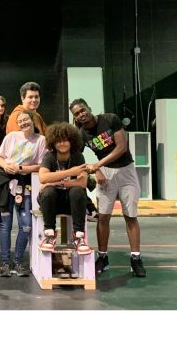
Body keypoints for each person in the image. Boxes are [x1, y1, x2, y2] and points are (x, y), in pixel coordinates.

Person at [70, 97, 146, 278]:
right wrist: (94, 171)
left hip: (127, 171)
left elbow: (121, 147)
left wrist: (97, 165)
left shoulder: (110, 119)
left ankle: (136, 259)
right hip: (105, 174)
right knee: (103, 217)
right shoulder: (81, 134)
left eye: (82, 110)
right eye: (76, 114)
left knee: (131, 216)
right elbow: (76, 157)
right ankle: (102, 258)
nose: (81, 115)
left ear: (88, 108)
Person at [0, 110, 47, 277]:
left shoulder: (40, 140)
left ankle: (18, 262)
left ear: (33, 120)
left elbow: (40, 165)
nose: (23, 123)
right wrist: (5, 166)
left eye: (25, 119)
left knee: (26, 224)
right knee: (5, 224)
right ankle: (5, 263)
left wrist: (21, 168)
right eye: (20, 121)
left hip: (25, 184)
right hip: (5, 182)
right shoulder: (11, 137)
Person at [36, 122, 91, 255]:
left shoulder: (77, 156)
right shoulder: (49, 157)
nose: (62, 143)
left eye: (65, 140)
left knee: (77, 191)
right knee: (48, 192)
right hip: (51, 203)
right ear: (53, 143)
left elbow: (83, 182)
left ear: (72, 141)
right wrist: (70, 172)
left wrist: (55, 182)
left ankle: (79, 236)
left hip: (71, 202)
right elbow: (43, 178)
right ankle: (49, 235)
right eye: (58, 141)